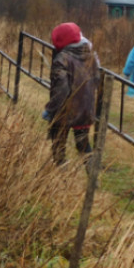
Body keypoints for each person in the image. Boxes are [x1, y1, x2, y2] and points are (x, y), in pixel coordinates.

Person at [42, 22, 100, 165]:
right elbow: (97, 79)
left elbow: (61, 90)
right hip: (86, 108)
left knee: (58, 144)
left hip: (65, 111)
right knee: (83, 145)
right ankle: (93, 177)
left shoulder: (62, 59)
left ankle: (61, 177)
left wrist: (51, 110)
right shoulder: (90, 57)